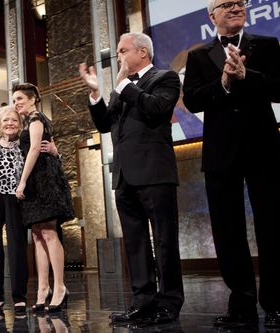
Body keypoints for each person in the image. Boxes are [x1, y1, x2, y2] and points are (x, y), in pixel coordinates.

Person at [182, 0, 280, 328]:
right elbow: (193, 100)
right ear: (212, 16)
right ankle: (241, 304)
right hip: (220, 155)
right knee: (227, 231)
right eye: (227, 4)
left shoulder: (268, 45)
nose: (236, 7)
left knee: (273, 227)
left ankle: (277, 302)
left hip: (264, 149)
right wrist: (224, 82)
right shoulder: (197, 57)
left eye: (240, 2)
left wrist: (246, 75)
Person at [79, 32, 184, 325]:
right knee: (135, 242)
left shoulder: (166, 78)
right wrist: (96, 94)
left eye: (122, 51)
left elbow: (156, 109)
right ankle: (143, 302)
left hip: (154, 172)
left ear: (142, 52)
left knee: (164, 241)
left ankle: (169, 302)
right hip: (124, 175)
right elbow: (104, 124)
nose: (119, 57)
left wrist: (123, 84)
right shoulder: (120, 89)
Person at [0, 105, 60, 316]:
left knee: (17, 247)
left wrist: (56, 152)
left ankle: (19, 297)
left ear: (19, 124)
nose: (10, 123)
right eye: (5, 120)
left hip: (17, 199)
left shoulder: (25, 143)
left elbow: (44, 164)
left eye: (13, 120)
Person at [13, 83, 74, 314]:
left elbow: (35, 149)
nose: (17, 102)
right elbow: (48, 147)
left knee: (48, 233)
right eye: (15, 99)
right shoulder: (31, 121)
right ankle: (43, 289)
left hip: (43, 182)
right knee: (38, 235)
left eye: (20, 98)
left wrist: (22, 181)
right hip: (35, 181)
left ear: (32, 100)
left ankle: (59, 288)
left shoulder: (37, 118)